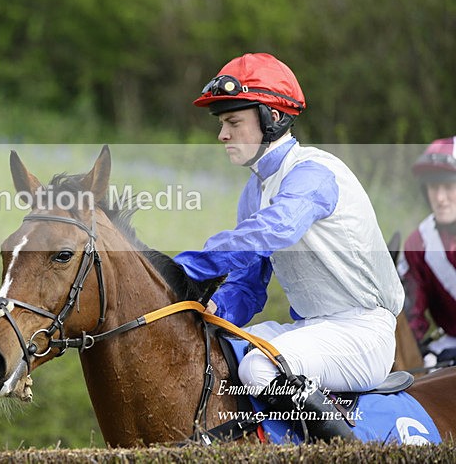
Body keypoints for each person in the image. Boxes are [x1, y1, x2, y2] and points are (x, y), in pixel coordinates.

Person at [173, 53, 404, 441]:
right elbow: (248, 285)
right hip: (312, 328)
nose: (222, 135)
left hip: (364, 333)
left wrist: (184, 268)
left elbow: (275, 230)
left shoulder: (313, 173)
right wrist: (214, 310)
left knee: (259, 369)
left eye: (233, 122)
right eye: (222, 124)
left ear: (272, 118)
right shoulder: (254, 193)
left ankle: (346, 451)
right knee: (221, 350)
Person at [397, 137, 456, 368]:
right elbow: (411, 317)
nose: (440, 198)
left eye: (448, 186)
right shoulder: (418, 244)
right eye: (433, 187)